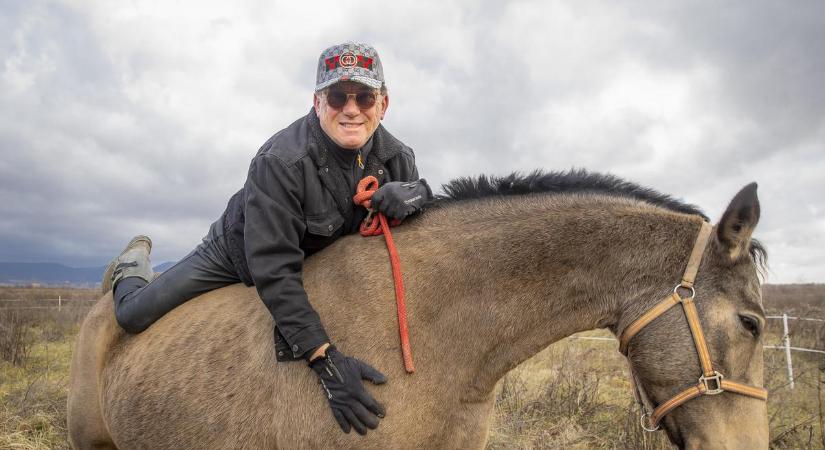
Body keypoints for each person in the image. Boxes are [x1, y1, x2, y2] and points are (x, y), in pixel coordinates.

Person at [101, 42, 432, 436]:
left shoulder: (397, 158)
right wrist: (324, 361)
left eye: (364, 96)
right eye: (337, 96)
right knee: (133, 315)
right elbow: (274, 271)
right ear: (317, 102)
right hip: (239, 252)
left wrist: (420, 195)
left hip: (323, 257)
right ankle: (132, 265)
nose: (351, 108)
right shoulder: (280, 161)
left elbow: (411, 243)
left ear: (383, 105)